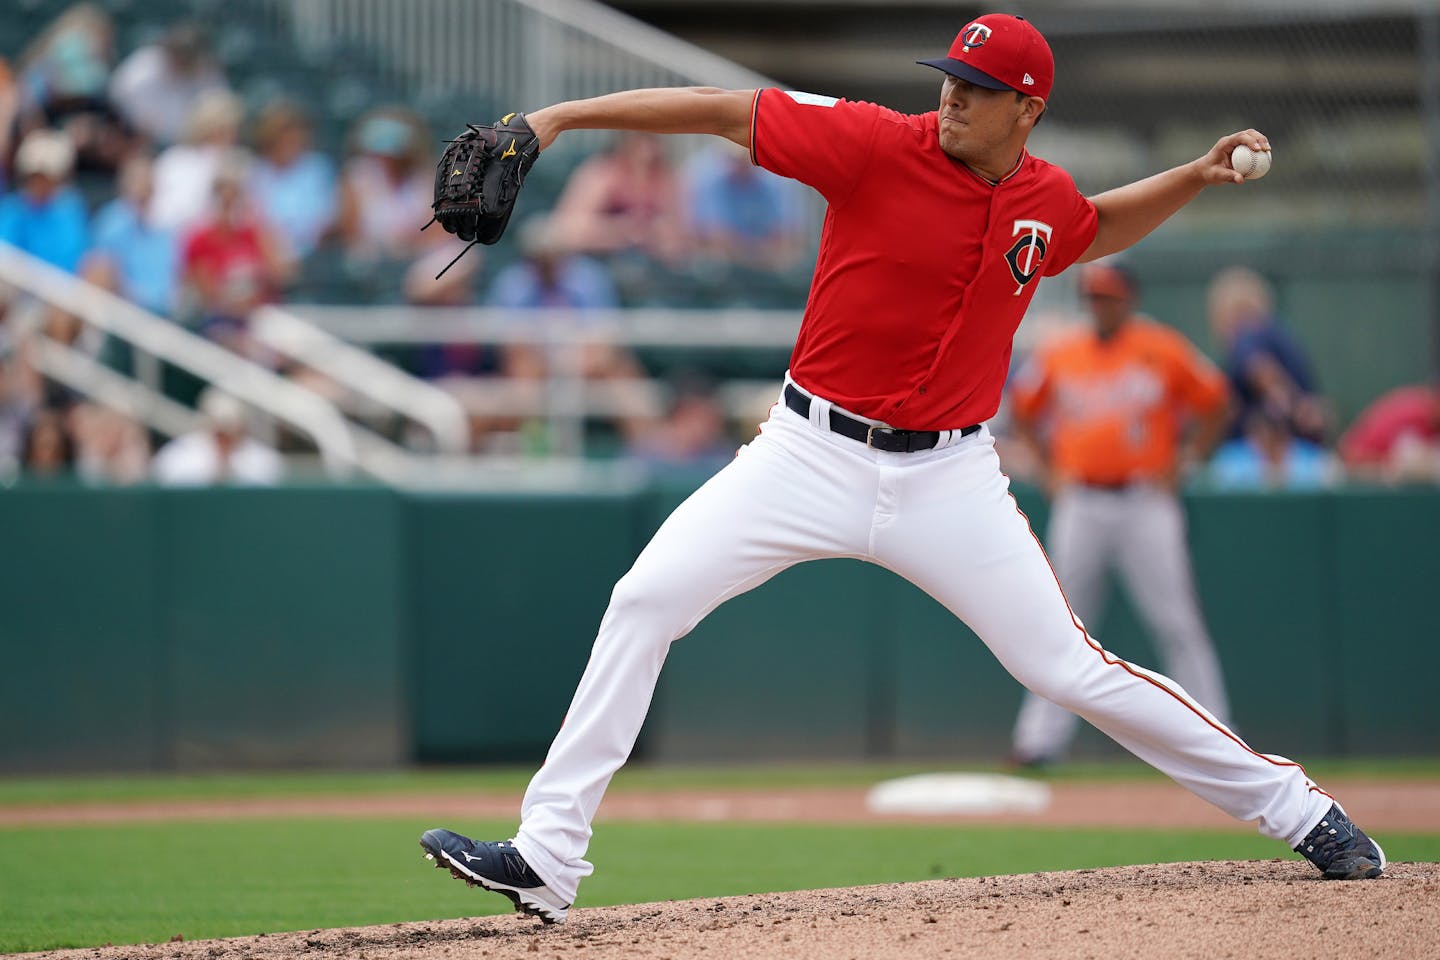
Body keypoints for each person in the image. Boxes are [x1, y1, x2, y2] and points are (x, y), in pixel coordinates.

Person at [419, 14, 1387, 924]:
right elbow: (721, 113)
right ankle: (549, 857)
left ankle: (1300, 811)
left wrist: (1192, 176)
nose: (952, 100)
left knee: (1068, 669)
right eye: (950, 81)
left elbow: (1091, 228)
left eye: (975, 89)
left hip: (951, 482)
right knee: (645, 599)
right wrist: (554, 117)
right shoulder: (875, 143)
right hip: (806, 453)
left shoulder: (1041, 198)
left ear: (1028, 109)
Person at [1005, 262, 1232, 767]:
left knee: (1176, 619)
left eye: (1108, 296)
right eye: (1093, 297)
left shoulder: (1163, 347)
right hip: (1082, 500)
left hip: (1145, 500)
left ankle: (1219, 735)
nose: (1099, 305)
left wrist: (1190, 459)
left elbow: (1216, 400)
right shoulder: (1061, 351)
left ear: (1129, 298)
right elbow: (1022, 407)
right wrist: (1047, 469)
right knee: (1058, 621)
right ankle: (1039, 742)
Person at [1207, 265, 1326, 445]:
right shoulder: (1283, 338)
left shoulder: (1246, 333)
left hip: (1269, 460)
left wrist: (1291, 405)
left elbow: (1261, 369)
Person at [108, 22, 229, 147]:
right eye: (181, 54)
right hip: (136, 140)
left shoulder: (208, 74)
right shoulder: (145, 67)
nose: (183, 61)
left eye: (189, 57)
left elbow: (223, 113)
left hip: (193, 146)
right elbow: (116, 99)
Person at [151, 387, 282, 485]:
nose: (225, 437)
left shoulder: (262, 459)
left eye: (231, 430)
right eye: (219, 432)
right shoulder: (178, 455)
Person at [1337, 380, 1440, 485]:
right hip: (1355, 471)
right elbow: (1350, 454)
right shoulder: (1418, 414)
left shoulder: (1423, 406)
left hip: (1370, 468)